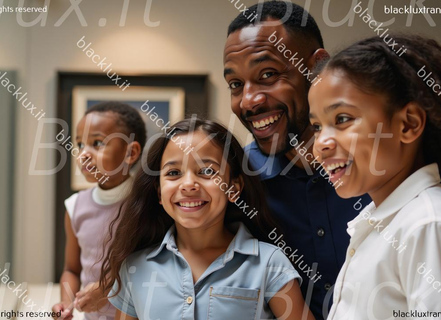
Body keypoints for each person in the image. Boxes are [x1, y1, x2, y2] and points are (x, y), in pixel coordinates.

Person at [223, 2, 441, 319]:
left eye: (268, 74)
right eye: (235, 84)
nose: (249, 100)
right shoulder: (237, 183)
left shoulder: (439, 206)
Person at [308, 34, 441, 319]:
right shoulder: (384, 219)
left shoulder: (430, 227)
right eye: (316, 126)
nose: (321, 143)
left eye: (342, 119)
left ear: (408, 124)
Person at [99, 118, 315, 320]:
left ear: (233, 187)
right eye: (174, 173)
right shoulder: (133, 267)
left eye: (206, 171)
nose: (188, 184)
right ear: (158, 193)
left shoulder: (269, 263)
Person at [52, 102, 146, 320]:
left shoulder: (149, 204)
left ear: (130, 153)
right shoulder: (74, 206)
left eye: (97, 143)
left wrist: (109, 289)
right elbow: (72, 269)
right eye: (79, 145)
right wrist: (66, 304)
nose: (84, 154)